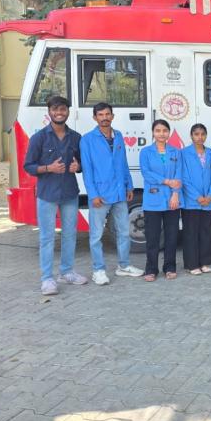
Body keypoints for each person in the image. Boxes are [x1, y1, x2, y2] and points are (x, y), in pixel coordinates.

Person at [23, 95, 86, 295]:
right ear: (49, 112)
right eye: (55, 109)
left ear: (68, 112)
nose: (59, 113)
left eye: (63, 109)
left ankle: (67, 272)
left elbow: (83, 164)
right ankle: (47, 279)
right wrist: (48, 168)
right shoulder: (39, 138)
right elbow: (28, 166)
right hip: (47, 194)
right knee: (47, 237)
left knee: (70, 234)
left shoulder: (76, 137)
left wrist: (78, 167)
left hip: (69, 193)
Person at [80, 102, 144, 285]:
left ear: (112, 116)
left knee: (123, 232)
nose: (104, 118)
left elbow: (123, 163)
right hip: (100, 195)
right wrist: (93, 194)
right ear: (95, 118)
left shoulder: (118, 136)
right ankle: (98, 270)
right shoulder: (87, 139)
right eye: (100, 115)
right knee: (96, 235)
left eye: (107, 114)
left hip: (119, 193)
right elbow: (87, 170)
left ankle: (124, 266)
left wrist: (129, 186)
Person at [139, 120, 183, 281]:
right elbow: (146, 173)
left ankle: (169, 267)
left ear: (169, 133)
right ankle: (151, 269)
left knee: (172, 236)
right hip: (153, 200)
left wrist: (176, 194)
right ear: (153, 133)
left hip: (172, 200)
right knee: (153, 237)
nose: (161, 134)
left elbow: (179, 174)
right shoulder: (145, 152)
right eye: (158, 130)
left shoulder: (176, 152)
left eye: (165, 130)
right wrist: (167, 181)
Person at [181, 123, 211, 275]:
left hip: (208, 202)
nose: (200, 137)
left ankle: (204, 262)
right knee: (191, 233)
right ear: (191, 136)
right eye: (196, 134)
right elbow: (184, 177)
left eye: (203, 134)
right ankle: (192, 264)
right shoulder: (184, 153)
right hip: (192, 202)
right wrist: (197, 196)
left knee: (207, 232)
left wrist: (210, 195)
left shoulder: (210, 153)